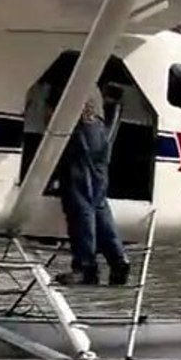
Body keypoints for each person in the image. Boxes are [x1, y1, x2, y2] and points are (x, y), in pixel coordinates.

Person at [46, 76, 131, 287]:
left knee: (80, 201)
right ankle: (118, 260)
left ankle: (85, 268)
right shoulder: (89, 80)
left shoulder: (68, 73)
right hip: (96, 130)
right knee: (97, 202)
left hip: (80, 128)